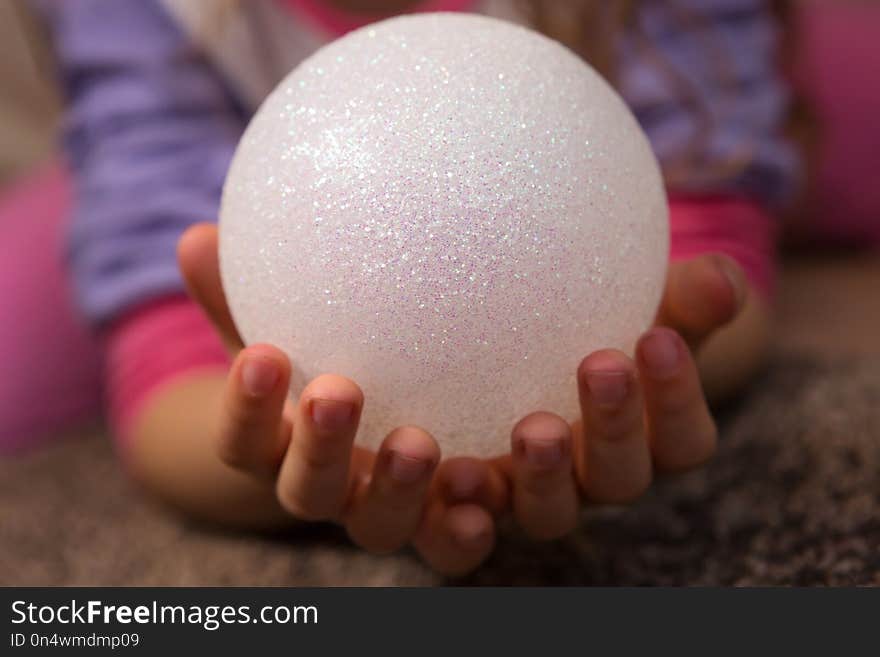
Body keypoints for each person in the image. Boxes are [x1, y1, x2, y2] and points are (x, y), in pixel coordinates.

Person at [20, 0, 798, 575]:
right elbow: (166, 379)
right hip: (245, 217)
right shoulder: (148, 20)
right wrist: (291, 443)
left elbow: (709, 257)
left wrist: (648, 362)